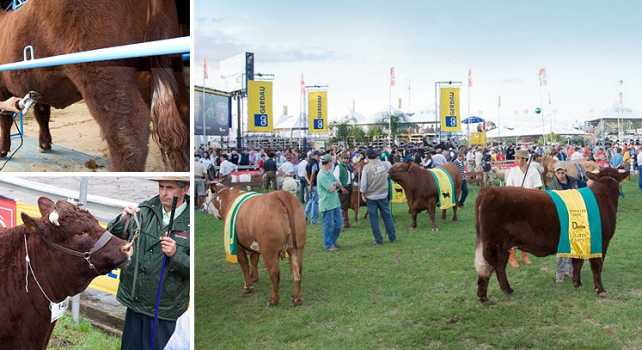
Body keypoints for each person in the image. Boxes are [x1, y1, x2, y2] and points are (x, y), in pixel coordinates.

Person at [108, 177, 190, 350]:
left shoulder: (191, 223)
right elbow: (113, 237)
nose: (163, 193)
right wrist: (122, 219)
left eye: (170, 187)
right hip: (136, 303)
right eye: (161, 187)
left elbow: (194, 270)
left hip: (165, 310)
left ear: (185, 189)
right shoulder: (145, 210)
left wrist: (176, 255)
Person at [504, 150, 542, 267]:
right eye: (517, 158)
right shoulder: (513, 171)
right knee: (513, 232)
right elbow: (509, 188)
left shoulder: (533, 171)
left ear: (526, 160)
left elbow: (537, 188)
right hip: (515, 205)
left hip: (529, 205)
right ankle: (511, 256)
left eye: (521, 158)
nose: (518, 160)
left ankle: (525, 255)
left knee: (526, 232)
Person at [548, 162, 578, 282]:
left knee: (573, 244)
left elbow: (582, 191)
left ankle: (569, 269)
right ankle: (560, 272)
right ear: (555, 173)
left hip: (574, 215)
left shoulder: (573, 181)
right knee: (562, 245)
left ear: (565, 171)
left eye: (562, 172)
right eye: (558, 172)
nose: (561, 174)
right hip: (559, 217)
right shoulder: (551, 186)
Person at [360, 149, 396, 245]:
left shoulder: (366, 168)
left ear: (367, 157)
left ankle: (378, 240)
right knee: (387, 216)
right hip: (383, 194)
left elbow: (363, 184)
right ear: (377, 156)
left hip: (371, 196)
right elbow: (392, 172)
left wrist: (362, 193)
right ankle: (392, 237)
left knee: (374, 219)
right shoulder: (386, 164)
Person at [317, 154, 346, 251]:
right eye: (332, 162)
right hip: (327, 204)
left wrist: (336, 184)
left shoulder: (329, 173)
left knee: (338, 224)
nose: (333, 163)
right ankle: (328, 244)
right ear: (328, 163)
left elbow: (337, 183)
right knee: (328, 225)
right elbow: (332, 188)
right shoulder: (321, 175)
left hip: (335, 203)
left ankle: (332, 241)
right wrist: (336, 185)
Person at [334, 153, 353, 228]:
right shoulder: (338, 167)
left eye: (347, 158)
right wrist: (341, 188)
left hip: (348, 187)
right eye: (344, 158)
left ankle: (346, 222)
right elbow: (335, 179)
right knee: (342, 206)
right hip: (342, 188)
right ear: (341, 159)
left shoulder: (348, 166)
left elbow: (351, 176)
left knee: (346, 206)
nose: (346, 160)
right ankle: (342, 223)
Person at [305, 151, 321, 224]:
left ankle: (304, 215)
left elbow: (305, 174)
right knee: (315, 202)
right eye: (318, 156)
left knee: (311, 201)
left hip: (310, 184)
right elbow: (313, 174)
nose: (319, 158)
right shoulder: (315, 163)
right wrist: (311, 185)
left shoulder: (308, 162)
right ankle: (314, 220)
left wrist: (309, 183)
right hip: (314, 185)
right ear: (315, 156)